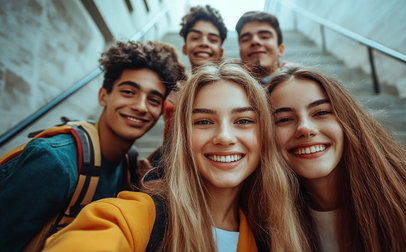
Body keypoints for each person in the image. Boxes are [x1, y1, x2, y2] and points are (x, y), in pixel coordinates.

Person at [42, 62, 310, 251]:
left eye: (243, 121)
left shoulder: (271, 231)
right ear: (182, 137)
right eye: (204, 122)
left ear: (264, 135)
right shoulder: (131, 217)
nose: (225, 137)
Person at [0, 40, 186, 252]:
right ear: (103, 96)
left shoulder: (129, 164)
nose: (140, 106)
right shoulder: (54, 161)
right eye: (128, 92)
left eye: (153, 100)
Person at [267, 66, 406, 252]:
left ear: (349, 120)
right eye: (283, 119)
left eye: (321, 112)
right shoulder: (263, 224)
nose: (305, 128)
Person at [141, 5, 228, 178]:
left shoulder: (227, 89)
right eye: (196, 37)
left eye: (212, 39)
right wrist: (152, 161)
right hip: (167, 168)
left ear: (221, 51)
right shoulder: (174, 87)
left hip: (203, 169)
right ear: (185, 48)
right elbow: (171, 139)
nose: (204, 43)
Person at [235, 11, 286, 84]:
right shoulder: (228, 88)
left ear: (281, 50)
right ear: (240, 52)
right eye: (246, 39)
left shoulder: (299, 83)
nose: (254, 41)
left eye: (264, 37)